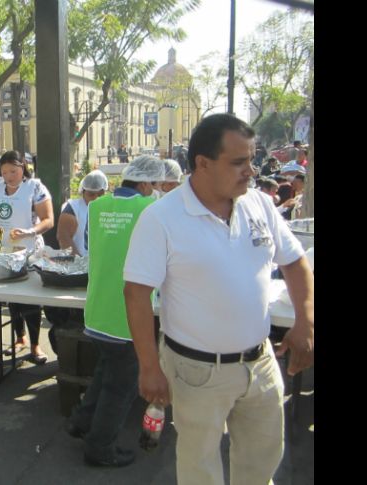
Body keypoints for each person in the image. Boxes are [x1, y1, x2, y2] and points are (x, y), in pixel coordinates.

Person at [123, 114, 314, 485]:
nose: (251, 170)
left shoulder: (259, 205)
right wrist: (149, 365)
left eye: (252, 159)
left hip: (260, 365)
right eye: (239, 162)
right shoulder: (161, 218)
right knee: (200, 469)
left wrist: (306, 322)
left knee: (262, 462)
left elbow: (295, 262)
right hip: (196, 372)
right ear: (203, 164)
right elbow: (136, 294)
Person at [65, 155, 164, 468]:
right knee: (119, 389)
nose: (157, 190)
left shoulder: (97, 206)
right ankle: (100, 448)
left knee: (106, 371)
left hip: (96, 309)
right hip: (126, 315)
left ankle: (81, 421)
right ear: (147, 183)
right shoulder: (149, 209)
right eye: (156, 184)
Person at [0, 150, 54, 364]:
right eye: (5, 171)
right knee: (12, 299)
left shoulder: (35, 187)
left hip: (28, 250)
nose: (9, 176)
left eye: (14, 171)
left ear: (23, 168)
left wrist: (30, 231)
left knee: (29, 301)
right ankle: (20, 337)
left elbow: (48, 220)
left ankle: (36, 345)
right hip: (2, 249)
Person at [56, 170, 108, 256]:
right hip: (79, 262)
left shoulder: (108, 207)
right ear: (83, 192)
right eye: (91, 195)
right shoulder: (73, 208)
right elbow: (63, 237)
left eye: (100, 195)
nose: (95, 198)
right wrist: (78, 262)